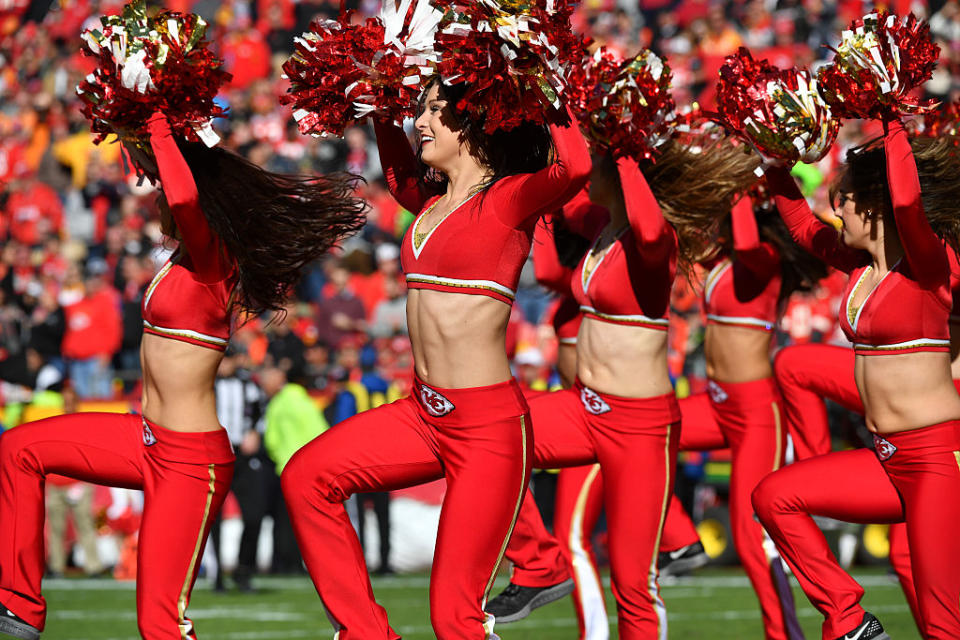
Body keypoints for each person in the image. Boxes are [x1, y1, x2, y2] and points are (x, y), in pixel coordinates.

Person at [0, 111, 365, 640]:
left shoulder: (214, 258)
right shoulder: (178, 259)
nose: (154, 198)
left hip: (190, 460)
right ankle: (20, 608)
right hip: (143, 437)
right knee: (18, 449)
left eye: (160, 190)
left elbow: (187, 198)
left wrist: (158, 123)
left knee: (161, 624)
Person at [280, 79, 590, 639]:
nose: (420, 122)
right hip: (423, 415)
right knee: (307, 476)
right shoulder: (429, 201)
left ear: (471, 128)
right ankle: (365, 633)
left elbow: (574, 167)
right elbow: (398, 171)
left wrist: (549, 85)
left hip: (486, 430)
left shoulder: (507, 198)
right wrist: (379, 101)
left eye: (433, 113)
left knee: (455, 619)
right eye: (419, 111)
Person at [486, 137, 756, 639]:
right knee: (483, 434)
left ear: (623, 173)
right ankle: (539, 566)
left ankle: (669, 550)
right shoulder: (602, 229)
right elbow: (551, 249)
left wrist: (628, 148)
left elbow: (651, 229)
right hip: (581, 407)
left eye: (602, 168)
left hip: (638, 422)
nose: (591, 178)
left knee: (633, 583)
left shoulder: (656, 240)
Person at [752, 116, 960, 640]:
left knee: (944, 624)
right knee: (775, 497)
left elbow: (910, 205)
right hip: (887, 458)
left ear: (874, 206)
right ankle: (850, 621)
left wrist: (891, 121)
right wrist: (777, 163)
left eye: (843, 199)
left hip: (938, 460)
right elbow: (801, 226)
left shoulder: (931, 267)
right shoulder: (859, 265)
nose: (835, 207)